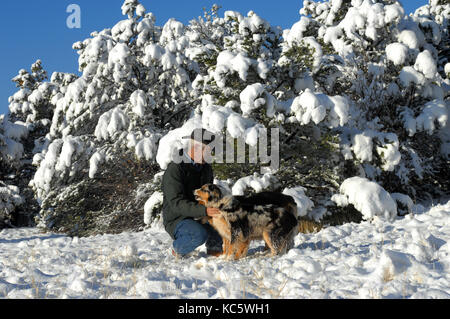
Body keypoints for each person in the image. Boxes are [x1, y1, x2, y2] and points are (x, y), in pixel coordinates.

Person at [161, 128, 223, 258]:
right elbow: (176, 203)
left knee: (220, 223)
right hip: (177, 218)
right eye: (208, 151)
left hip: (200, 213)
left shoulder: (206, 169)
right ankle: (176, 250)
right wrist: (204, 211)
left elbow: (208, 195)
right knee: (199, 234)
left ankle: (215, 254)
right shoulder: (175, 169)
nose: (210, 155)